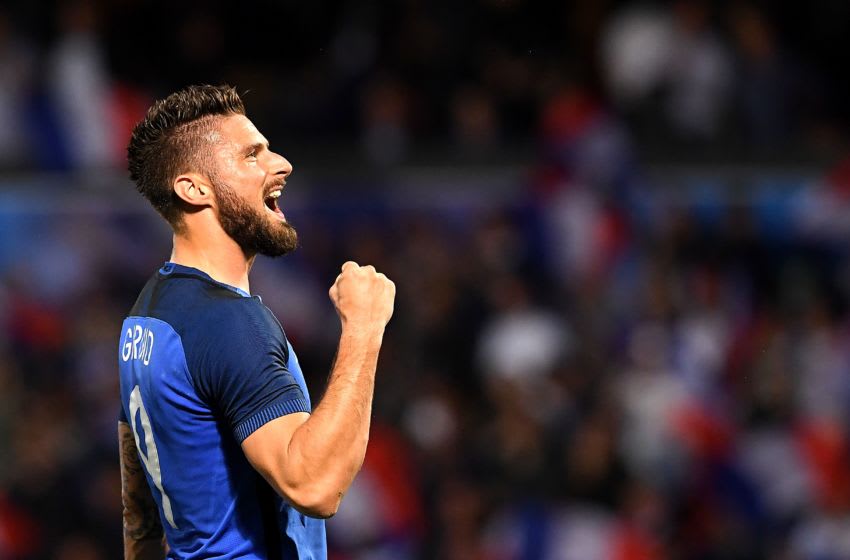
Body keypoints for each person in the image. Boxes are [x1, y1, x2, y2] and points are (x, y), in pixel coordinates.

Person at [117, 84, 395, 559]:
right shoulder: (227, 322)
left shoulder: (146, 314)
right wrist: (364, 327)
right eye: (252, 155)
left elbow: (138, 507)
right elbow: (314, 486)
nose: (281, 164)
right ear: (193, 188)